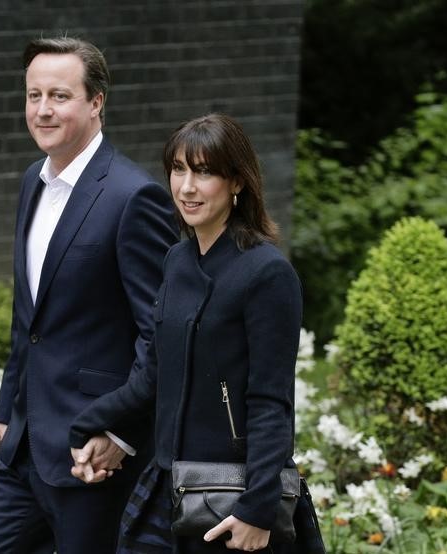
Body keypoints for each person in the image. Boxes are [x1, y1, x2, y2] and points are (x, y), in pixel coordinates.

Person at [0, 36, 179, 554]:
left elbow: (160, 333)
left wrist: (123, 434)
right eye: (33, 95)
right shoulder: (31, 183)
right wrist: (5, 411)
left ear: (95, 102)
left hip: (91, 453)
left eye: (59, 96)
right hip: (23, 447)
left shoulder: (134, 197)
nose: (42, 110)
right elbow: (31, 320)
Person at [69, 114, 304, 553]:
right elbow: (154, 375)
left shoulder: (268, 274)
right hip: (166, 485)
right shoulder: (176, 260)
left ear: (237, 182)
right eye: (179, 169)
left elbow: (272, 402)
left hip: (228, 502)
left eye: (205, 172)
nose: (187, 187)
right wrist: (88, 425)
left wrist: (258, 509)